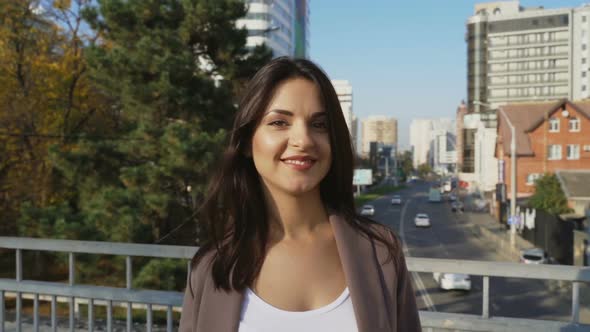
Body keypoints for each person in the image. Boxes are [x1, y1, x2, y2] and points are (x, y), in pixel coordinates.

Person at [179, 57, 421, 332]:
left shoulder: (381, 253)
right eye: (280, 122)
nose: (303, 140)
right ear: (247, 141)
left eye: (319, 125)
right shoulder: (212, 267)